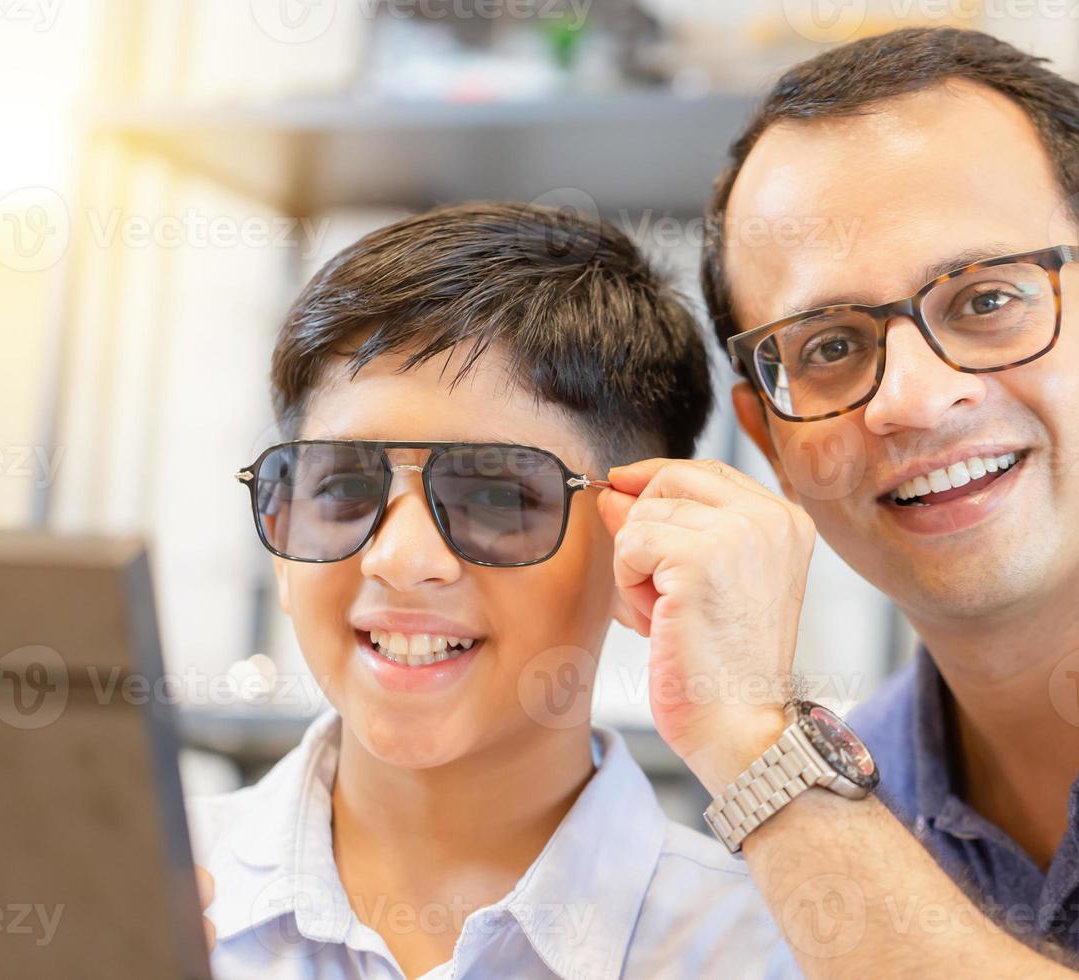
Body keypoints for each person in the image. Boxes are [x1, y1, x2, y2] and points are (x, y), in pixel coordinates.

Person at [596, 27, 1079, 978]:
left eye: (988, 299)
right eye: (830, 346)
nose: (911, 398)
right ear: (771, 446)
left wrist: (760, 748)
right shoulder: (850, 788)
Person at [188, 202, 800, 979]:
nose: (401, 559)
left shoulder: (779, 951)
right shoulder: (117, 887)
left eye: (497, 498)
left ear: (641, 542)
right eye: (342, 487)